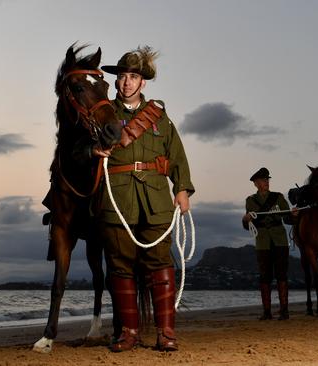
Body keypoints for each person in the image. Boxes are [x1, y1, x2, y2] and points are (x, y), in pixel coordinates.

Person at [91, 46, 194, 352]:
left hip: (156, 201)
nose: (126, 82)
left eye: (133, 77)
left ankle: (166, 333)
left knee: (160, 263)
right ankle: (129, 333)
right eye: (122, 76)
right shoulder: (102, 114)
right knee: (120, 266)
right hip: (116, 199)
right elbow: (81, 149)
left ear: (142, 83)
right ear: (116, 81)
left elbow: (176, 155)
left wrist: (182, 189)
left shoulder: (161, 118)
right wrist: (92, 151)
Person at [242, 167, 297, 320]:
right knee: (265, 276)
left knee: (281, 274)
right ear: (256, 183)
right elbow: (248, 225)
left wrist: (293, 215)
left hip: (279, 240)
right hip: (262, 242)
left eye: (267, 179)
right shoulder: (250, 200)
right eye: (263, 180)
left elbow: (287, 219)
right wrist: (245, 219)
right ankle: (267, 312)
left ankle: (284, 311)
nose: (266, 182)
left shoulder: (278, 197)